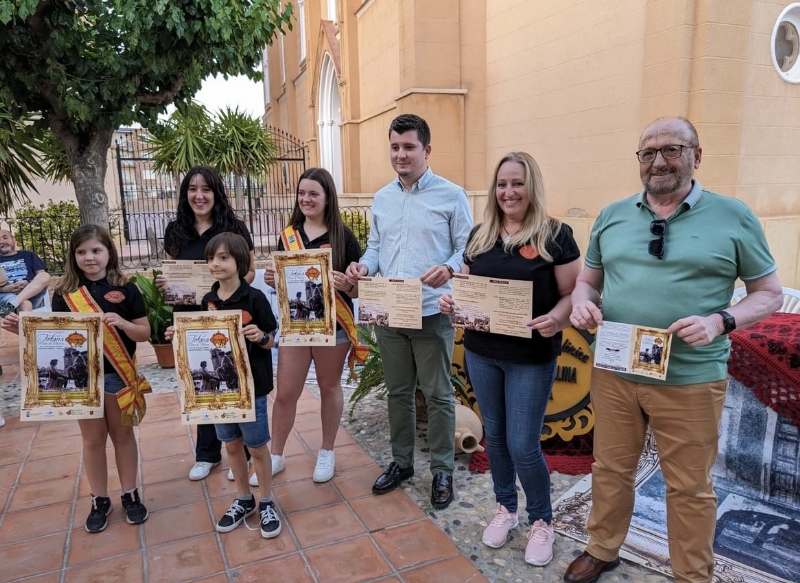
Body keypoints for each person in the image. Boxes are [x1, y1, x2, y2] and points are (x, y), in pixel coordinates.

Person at [566, 117, 782, 583]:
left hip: (690, 378)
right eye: (648, 152)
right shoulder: (612, 215)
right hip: (617, 370)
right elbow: (588, 281)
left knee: (688, 488)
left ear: (696, 156)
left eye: (672, 149)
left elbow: (768, 293)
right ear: (639, 162)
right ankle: (603, 548)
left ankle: (692, 575)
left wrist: (720, 321)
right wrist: (583, 305)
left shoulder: (734, 216)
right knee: (610, 469)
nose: (658, 161)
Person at [439, 152, 581, 566]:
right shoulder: (480, 236)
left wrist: (558, 317)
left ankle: (542, 519)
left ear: (531, 185)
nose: (508, 192)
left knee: (523, 443)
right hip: (483, 353)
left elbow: (573, 293)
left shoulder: (556, 235)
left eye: (517, 183)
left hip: (531, 356)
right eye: (502, 184)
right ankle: (506, 508)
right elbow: (466, 285)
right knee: (496, 438)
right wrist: (454, 300)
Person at [345, 114, 473, 509]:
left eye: (408, 147)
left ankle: (441, 470)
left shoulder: (452, 195)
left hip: (432, 310)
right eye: (395, 147)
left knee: (437, 394)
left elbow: (469, 248)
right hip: (390, 310)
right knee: (398, 392)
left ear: (426, 150)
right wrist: (364, 266)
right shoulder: (382, 198)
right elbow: (377, 248)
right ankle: (401, 463)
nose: (400, 154)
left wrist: (450, 268)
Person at [2, 225, 152, 533]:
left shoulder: (126, 288)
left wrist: (123, 323)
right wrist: (21, 331)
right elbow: (55, 340)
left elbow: (145, 332)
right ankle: (99, 498)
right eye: (81, 252)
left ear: (109, 252)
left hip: (117, 376)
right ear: (74, 256)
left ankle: (130, 493)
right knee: (93, 440)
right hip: (82, 381)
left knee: (123, 437)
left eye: (96, 250)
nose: (89, 257)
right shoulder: (66, 293)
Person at [166, 232, 281, 539]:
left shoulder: (254, 298)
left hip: (251, 388)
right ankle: (244, 499)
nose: (215, 264)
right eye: (211, 258)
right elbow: (202, 339)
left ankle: (267, 501)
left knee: (256, 447)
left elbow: (272, 339)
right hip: (220, 391)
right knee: (231, 445)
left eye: (223, 257)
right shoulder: (209, 300)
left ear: (240, 261)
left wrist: (261, 337)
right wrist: (178, 335)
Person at [265, 167, 364, 483]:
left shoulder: (342, 236)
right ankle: (275, 455)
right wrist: (273, 280)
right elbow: (286, 285)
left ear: (327, 198)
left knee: (329, 386)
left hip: (333, 327)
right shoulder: (288, 236)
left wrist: (348, 285)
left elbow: (360, 287)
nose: (306, 199)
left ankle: (326, 451)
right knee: (285, 393)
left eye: (313, 194)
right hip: (297, 326)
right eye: (302, 193)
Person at [158, 166, 256, 483]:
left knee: (230, 379)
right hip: (189, 317)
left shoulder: (234, 227)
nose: (199, 196)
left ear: (217, 193)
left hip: (225, 314)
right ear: (185, 194)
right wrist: (167, 283)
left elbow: (250, 272)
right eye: (192, 189)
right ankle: (206, 454)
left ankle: (240, 453)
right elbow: (172, 270)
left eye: (206, 189)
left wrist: (229, 290)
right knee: (200, 381)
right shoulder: (176, 230)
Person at [0, 229, 51, 317]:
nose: (2, 241)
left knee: (45, 275)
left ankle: (12, 304)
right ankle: (14, 305)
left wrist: (29, 284)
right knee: (25, 304)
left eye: (5, 237)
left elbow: (42, 276)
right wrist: (6, 288)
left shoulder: (28, 255)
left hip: (32, 293)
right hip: (6, 296)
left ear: (13, 239)